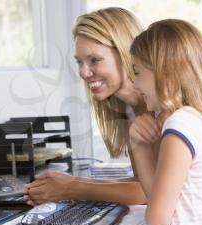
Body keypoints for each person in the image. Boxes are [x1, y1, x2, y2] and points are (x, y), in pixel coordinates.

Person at [23, 7, 153, 206]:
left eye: (95, 60)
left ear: (126, 53)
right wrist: (69, 184)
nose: (84, 73)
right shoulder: (129, 108)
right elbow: (142, 183)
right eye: (79, 62)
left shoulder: (158, 106)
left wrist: (71, 187)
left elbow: (149, 192)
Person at [129, 19, 202, 225]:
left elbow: (157, 221)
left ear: (165, 73)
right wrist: (139, 145)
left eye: (137, 72)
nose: (134, 84)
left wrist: (139, 147)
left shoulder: (181, 124)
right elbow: (162, 204)